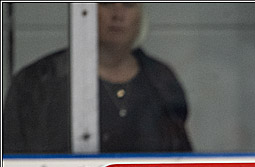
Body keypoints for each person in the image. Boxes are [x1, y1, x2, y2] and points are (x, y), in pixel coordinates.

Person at [3, 2, 192, 154]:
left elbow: (181, 157)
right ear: (83, 12)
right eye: (106, 3)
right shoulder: (39, 80)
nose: (118, 15)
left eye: (128, 5)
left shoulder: (161, 80)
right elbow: (13, 160)